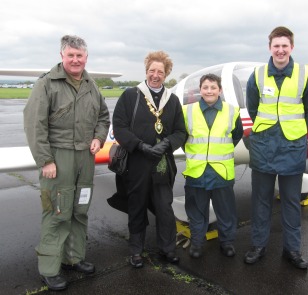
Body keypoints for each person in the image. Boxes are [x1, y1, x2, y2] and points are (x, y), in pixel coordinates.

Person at [23, 35, 110, 291]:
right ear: (62, 56)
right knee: (57, 212)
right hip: (58, 158)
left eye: (79, 55)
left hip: (85, 158)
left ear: (86, 57)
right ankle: (49, 268)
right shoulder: (47, 84)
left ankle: (74, 257)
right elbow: (34, 124)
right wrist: (45, 160)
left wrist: (98, 137)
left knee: (79, 208)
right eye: (70, 55)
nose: (75, 60)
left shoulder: (92, 85)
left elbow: (103, 117)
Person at [244, 26, 308, 269]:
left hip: (292, 148)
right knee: (261, 201)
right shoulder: (257, 75)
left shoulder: (305, 74)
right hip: (264, 147)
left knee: (290, 202)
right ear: (270, 48)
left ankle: (293, 250)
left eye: (284, 45)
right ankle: (258, 246)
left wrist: (295, 133)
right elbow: (253, 108)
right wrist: (266, 131)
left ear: (291, 48)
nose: (280, 50)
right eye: (276, 45)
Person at [112, 51, 186, 269]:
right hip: (137, 163)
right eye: (152, 71)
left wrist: (167, 144)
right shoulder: (130, 95)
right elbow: (119, 127)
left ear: (166, 74)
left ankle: (167, 249)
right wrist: (140, 146)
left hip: (162, 163)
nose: (156, 75)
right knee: (137, 206)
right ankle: (136, 250)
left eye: (160, 72)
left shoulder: (172, 101)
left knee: (164, 207)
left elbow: (181, 131)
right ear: (146, 72)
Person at [183, 74, 243, 258]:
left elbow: (236, 135)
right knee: (196, 211)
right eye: (205, 87)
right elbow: (181, 137)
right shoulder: (187, 111)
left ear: (220, 90)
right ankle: (197, 242)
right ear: (200, 90)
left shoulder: (232, 111)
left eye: (213, 87)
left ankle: (227, 242)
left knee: (225, 211)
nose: (209, 91)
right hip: (196, 170)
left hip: (221, 171)